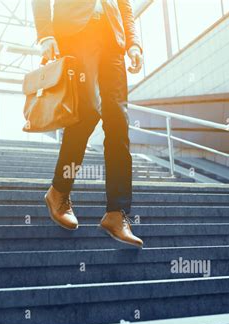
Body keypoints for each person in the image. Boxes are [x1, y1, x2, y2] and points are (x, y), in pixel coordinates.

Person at [32, 0, 144, 248]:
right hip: (75, 32)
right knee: (87, 112)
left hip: (112, 37)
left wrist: (133, 42)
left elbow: (124, 4)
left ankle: (117, 213)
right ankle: (59, 190)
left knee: (118, 122)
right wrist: (46, 34)